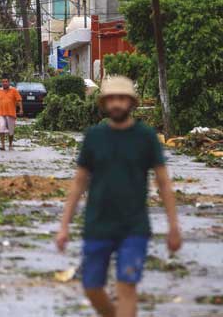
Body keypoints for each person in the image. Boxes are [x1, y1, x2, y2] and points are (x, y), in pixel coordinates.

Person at [55, 76, 181, 317]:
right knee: (92, 288)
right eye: (111, 99)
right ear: (104, 103)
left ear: (131, 103)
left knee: (127, 286)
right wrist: (64, 227)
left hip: (133, 227)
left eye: (122, 98)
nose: (116, 103)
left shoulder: (145, 137)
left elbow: (163, 183)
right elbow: (79, 183)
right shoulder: (94, 136)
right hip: (97, 225)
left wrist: (173, 226)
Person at [0, 77, 22, 151]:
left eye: (6, 81)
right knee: (1, 129)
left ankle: (10, 145)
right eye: (3, 82)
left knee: (11, 131)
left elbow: (19, 100)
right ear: (1, 83)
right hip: (2, 113)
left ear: (9, 82)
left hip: (11, 113)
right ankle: (3, 145)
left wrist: (21, 109)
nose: (5, 83)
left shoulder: (14, 90)